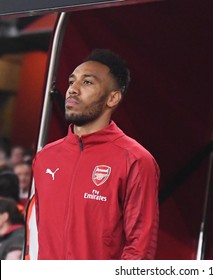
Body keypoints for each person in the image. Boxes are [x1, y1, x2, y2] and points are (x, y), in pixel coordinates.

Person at [26, 49, 160, 260]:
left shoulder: (135, 159)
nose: (72, 90)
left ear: (113, 98)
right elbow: (35, 235)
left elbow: (140, 249)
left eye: (87, 82)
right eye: (72, 82)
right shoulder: (45, 158)